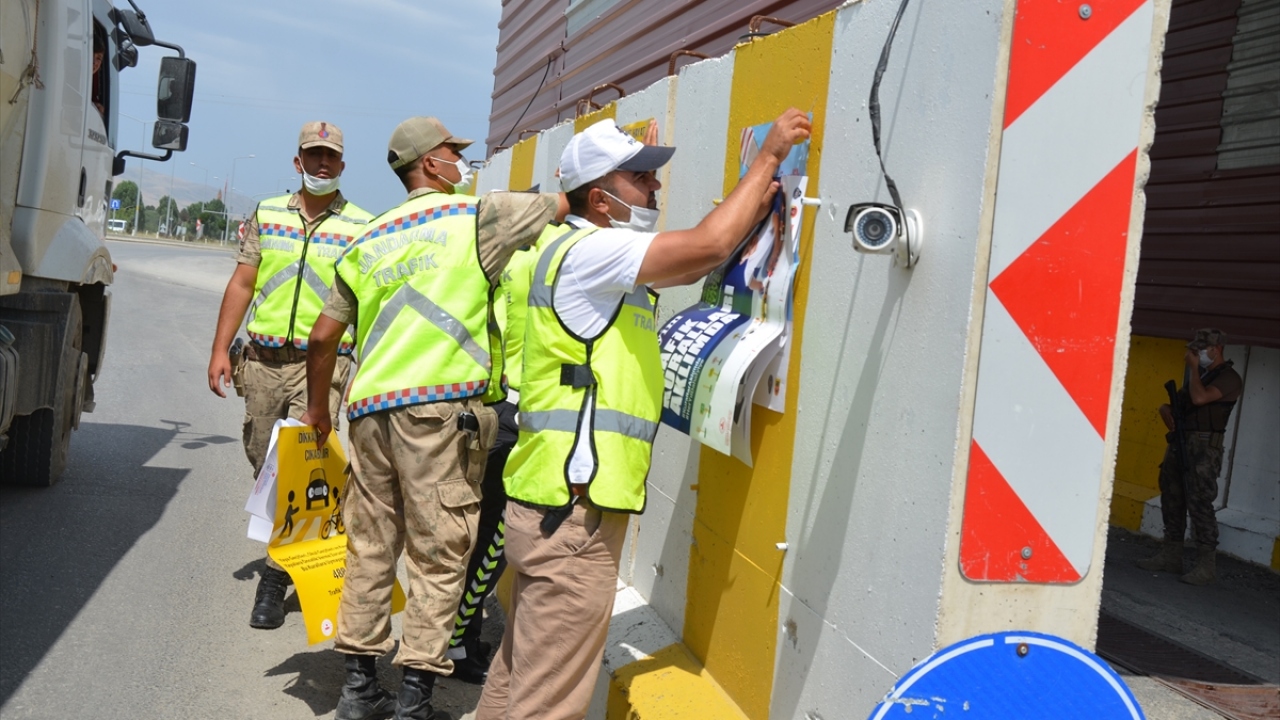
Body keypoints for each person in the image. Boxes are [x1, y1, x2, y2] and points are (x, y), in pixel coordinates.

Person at [476, 108, 811, 720]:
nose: (655, 189)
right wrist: (768, 158)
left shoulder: (575, 249)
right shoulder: (592, 253)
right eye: (641, 179)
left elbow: (692, 259)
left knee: (518, 673)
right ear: (601, 199)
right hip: (572, 516)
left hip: (549, 501)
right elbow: (706, 247)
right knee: (549, 702)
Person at [300, 116, 568, 720]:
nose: (461, 164)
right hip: (439, 413)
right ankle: (415, 700)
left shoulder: (365, 238)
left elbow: (323, 337)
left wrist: (319, 409)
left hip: (368, 413)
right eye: (453, 153)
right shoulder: (473, 218)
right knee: (440, 552)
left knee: (370, 547)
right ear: (428, 164)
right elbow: (563, 201)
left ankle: (358, 691)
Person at [206, 121, 373, 629]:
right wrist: (219, 351)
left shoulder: (362, 225)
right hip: (262, 363)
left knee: (302, 469)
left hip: (323, 365)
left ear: (343, 166)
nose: (323, 164)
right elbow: (243, 283)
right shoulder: (268, 214)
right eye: (313, 155)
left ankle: (274, 580)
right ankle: (298, 550)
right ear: (298, 161)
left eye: (332, 157)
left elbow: (366, 303)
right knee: (265, 463)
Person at [443, 229, 549, 685]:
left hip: (493, 407)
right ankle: (457, 642)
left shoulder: (502, 262)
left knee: (480, 532)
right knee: (492, 538)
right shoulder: (541, 261)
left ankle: (460, 633)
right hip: (516, 411)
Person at [1137, 328, 1243, 586]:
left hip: (1204, 451)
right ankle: (1171, 555)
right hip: (1182, 444)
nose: (1193, 355)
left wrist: (1194, 369)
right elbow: (1181, 404)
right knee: (1172, 496)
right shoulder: (1203, 376)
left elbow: (1199, 398)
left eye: (1199, 350)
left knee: (1199, 503)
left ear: (1215, 350)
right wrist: (1165, 409)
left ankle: (1207, 565)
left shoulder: (1229, 378)